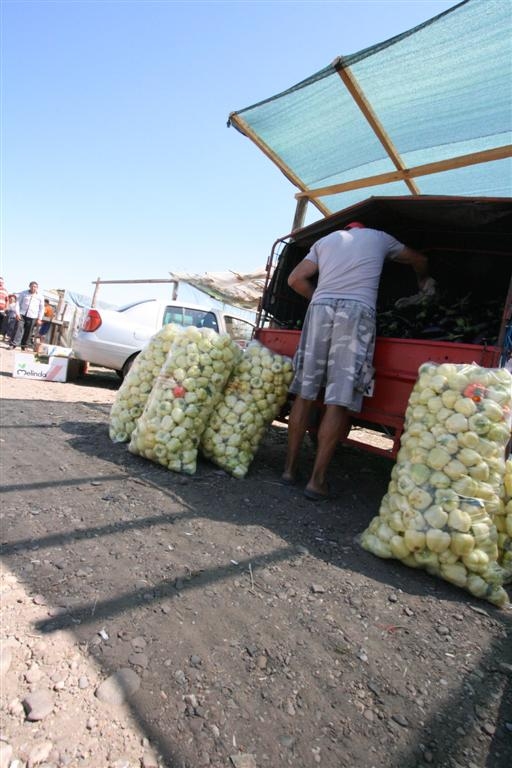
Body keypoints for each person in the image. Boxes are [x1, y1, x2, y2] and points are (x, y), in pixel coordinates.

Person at [281, 221, 436, 501]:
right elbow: (419, 259)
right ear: (363, 229)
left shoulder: (325, 241)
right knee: (338, 399)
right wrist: (423, 280)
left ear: (348, 230)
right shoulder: (380, 237)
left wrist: (321, 297)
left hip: (319, 310)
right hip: (356, 312)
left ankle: (289, 471)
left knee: (304, 393)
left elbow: (295, 279)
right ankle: (316, 482)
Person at [10, 281, 45, 351]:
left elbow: (41, 308)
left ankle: (24, 346)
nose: (33, 288)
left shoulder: (40, 297)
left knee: (29, 332)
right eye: (32, 286)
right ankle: (13, 344)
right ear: (29, 286)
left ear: (37, 288)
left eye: (35, 287)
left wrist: (39, 319)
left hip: (32, 316)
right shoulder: (23, 293)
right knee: (18, 329)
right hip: (22, 314)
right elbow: (18, 303)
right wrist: (17, 313)